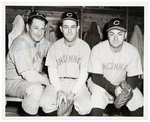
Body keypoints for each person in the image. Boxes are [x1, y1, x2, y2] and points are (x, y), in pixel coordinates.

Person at [88, 18, 143, 116]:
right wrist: (114, 89)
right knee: (97, 98)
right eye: (112, 33)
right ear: (107, 35)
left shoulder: (132, 51)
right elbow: (96, 77)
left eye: (119, 34)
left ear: (125, 35)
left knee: (138, 99)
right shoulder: (97, 49)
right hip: (99, 84)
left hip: (121, 84)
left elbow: (134, 76)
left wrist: (127, 90)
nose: (115, 38)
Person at [6, 11, 56, 116]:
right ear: (28, 28)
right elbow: (28, 75)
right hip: (12, 82)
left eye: (42, 29)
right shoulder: (20, 43)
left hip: (29, 79)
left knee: (54, 88)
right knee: (36, 89)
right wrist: (49, 81)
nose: (39, 32)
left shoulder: (41, 41)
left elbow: (55, 50)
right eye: (36, 28)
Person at [45, 11, 91, 116]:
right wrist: (58, 91)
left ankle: (71, 112)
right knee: (45, 102)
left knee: (85, 106)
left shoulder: (84, 47)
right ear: (61, 29)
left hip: (78, 83)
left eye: (73, 27)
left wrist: (72, 94)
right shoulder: (54, 47)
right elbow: (52, 72)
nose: (69, 31)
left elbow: (84, 73)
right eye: (66, 27)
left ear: (78, 28)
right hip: (58, 82)